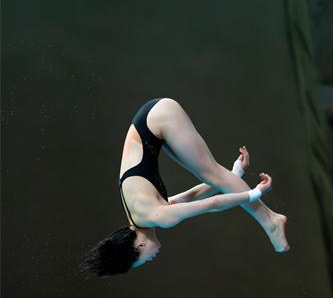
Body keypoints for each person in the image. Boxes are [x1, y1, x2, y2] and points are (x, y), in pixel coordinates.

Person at [79, 97, 289, 277]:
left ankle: (271, 220)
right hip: (153, 121)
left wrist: (255, 193)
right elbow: (193, 196)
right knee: (212, 175)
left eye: (144, 261)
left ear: (138, 247)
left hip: (158, 119)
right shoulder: (143, 215)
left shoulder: (157, 216)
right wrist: (236, 174)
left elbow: (213, 204)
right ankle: (268, 218)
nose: (151, 259)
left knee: (212, 173)